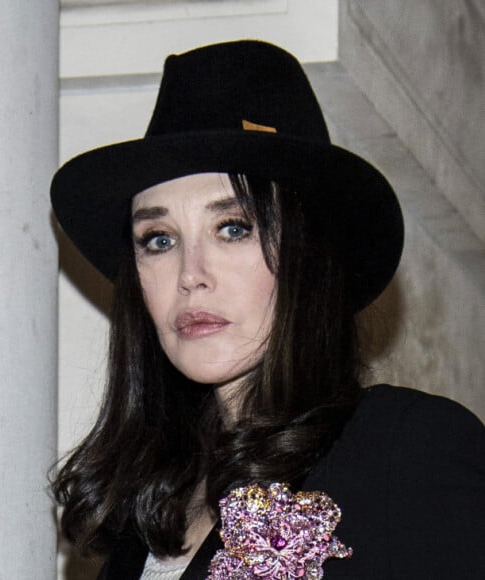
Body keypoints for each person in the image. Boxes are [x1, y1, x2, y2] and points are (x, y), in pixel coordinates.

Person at [50, 40, 485, 579]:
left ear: (309, 256)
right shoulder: (139, 526)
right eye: (159, 239)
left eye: (233, 228)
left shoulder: (407, 449)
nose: (191, 275)